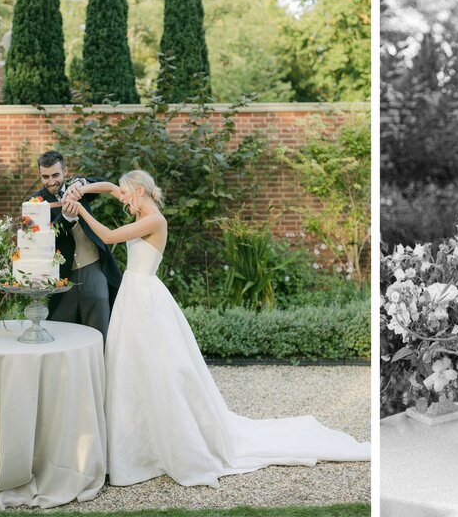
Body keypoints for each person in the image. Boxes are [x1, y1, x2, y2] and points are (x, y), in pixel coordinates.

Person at [61, 170, 370, 486]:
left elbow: (111, 237)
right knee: (128, 366)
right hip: (133, 296)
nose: (122, 199)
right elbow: (112, 187)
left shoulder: (155, 221)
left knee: (157, 368)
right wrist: (81, 189)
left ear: (139, 191)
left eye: (127, 195)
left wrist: (80, 209)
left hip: (145, 301)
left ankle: (158, 444)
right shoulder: (141, 206)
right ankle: (132, 443)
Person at [32, 150, 121, 339]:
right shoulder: (34, 203)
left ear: (65, 171)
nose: (51, 181)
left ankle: (99, 366)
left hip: (93, 265)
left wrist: (82, 183)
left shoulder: (77, 189)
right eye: (45, 177)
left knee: (99, 324)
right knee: (61, 330)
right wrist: (64, 218)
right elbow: (39, 241)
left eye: (55, 175)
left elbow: (103, 182)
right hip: (62, 275)